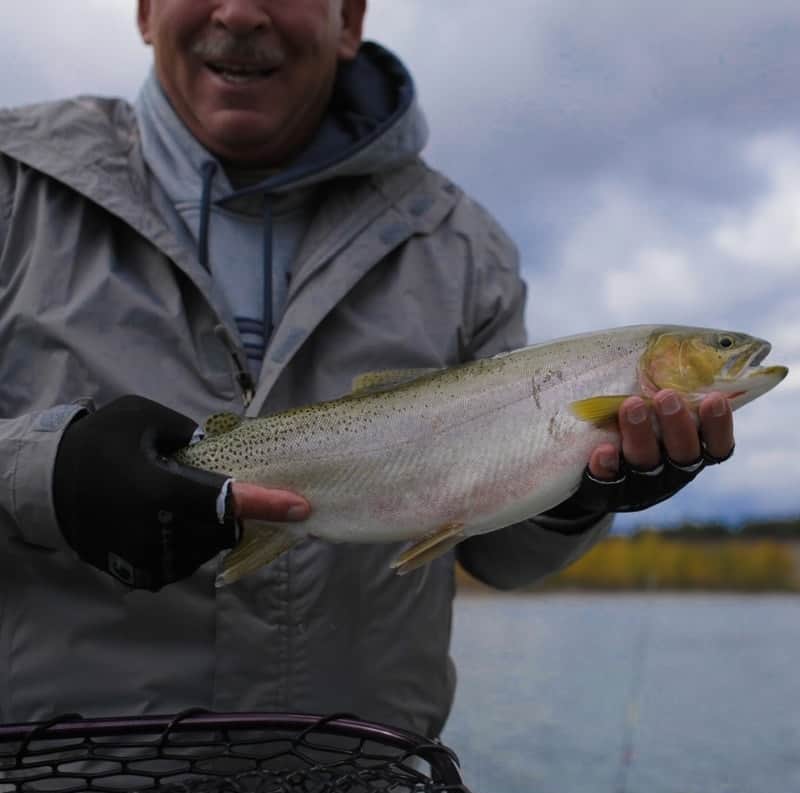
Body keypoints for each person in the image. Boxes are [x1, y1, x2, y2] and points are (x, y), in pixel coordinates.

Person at [0, 0, 733, 736]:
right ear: (145, 10)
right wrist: (43, 473)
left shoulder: (465, 247)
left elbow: (502, 558)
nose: (240, 12)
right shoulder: (12, 190)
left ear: (348, 19)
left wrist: (574, 494)